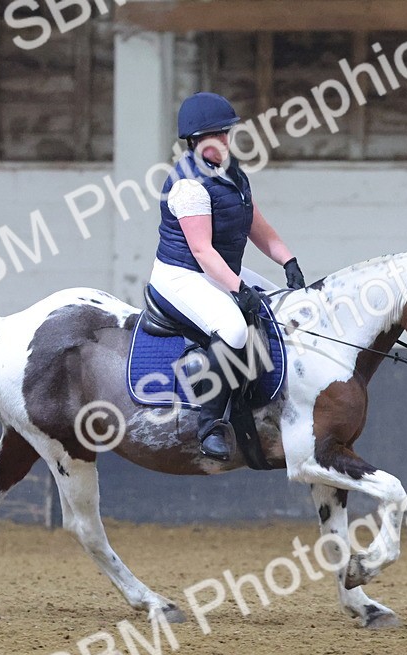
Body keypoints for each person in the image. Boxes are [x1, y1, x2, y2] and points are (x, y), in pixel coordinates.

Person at [148, 92, 306, 461]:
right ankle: (209, 425)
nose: (222, 140)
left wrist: (288, 260)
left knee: (283, 307)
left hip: (219, 270)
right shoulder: (189, 186)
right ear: (194, 141)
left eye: (225, 133)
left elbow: (254, 224)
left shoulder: (232, 173)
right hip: (182, 275)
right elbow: (202, 252)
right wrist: (239, 289)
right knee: (234, 329)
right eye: (213, 135)